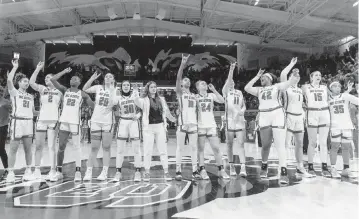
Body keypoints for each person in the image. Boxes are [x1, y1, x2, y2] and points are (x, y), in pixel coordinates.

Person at [244, 68, 299, 184]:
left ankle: (283, 172)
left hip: (277, 113)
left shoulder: (277, 86)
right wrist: (257, 76)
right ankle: (264, 165)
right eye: (261, 78)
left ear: (270, 79)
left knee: (280, 145)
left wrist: (294, 74)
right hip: (264, 115)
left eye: (264, 77)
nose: (262, 79)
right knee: (265, 145)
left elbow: (290, 82)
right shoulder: (259, 90)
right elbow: (247, 88)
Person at [50, 68, 94, 182]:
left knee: (77, 147)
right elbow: (53, 79)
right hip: (64, 121)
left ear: (79, 82)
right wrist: (64, 72)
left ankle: (78, 172)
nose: (72, 79)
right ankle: (59, 171)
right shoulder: (65, 90)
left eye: (75, 78)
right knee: (61, 147)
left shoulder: (82, 94)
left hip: (75, 122)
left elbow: (93, 105)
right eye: (71, 78)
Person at [133, 81, 176, 181]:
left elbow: (167, 112)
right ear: (148, 89)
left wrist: (173, 118)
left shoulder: (161, 99)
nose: (153, 88)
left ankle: (166, 172)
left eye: (155, 87)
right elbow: (136, 101)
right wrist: (135, 91)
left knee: (163, 151)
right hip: (148, 128)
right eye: (151, 87)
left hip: (160, 126)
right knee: (147, 151)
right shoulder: (143, 100)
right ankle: (147, 172)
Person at [29, 61, 64, 181]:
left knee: (51, 146)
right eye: (45, 78)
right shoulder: (42, 89)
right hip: (41, 120)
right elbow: (31, 82)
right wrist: (38, 68)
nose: (46, 79)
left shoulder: (60, 91)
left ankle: (53, 170)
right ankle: (37, 170)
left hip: (54, 120)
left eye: (49, 77)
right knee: (38, 145)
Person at [280, 58, 314, 178]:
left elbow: (302, 104)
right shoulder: (286, 87)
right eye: (294, 74)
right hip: (288, 116)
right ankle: (282, 167)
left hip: (299, 117)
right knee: (286, 145)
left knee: (299, 144)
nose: (297, 76)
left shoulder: (300, 89)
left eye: (298, 74)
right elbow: (283, 74)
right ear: (290, 78)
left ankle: (300, 167)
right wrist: (291, 64)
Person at [5, 60, 36, 183]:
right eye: (25, 81)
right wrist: (15, 67)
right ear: (19, 83)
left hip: (29, 123)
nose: (27, 83)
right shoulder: (14, 93)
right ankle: (11, 172)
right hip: (17, 122)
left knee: (28, 149)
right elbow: (8, 81)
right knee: (13, 149)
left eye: (28, 81)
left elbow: (33, 112)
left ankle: (28, 170)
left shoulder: (31, 96)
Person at [82, 72, 116, 181]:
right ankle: (89, 171)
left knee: (106, 147)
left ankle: (104, 172)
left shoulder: (116, 90)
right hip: (96, 120)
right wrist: (91, 78)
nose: (108, 77)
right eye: (106, 76)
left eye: (110, 76)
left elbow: (115, 103)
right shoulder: (98, 87)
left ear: (113, 79)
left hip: (108, 122)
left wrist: (112, 91)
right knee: (94, 148)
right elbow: (85, 89)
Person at [174, 54, 201, 181]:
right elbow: (178, 77)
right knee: (180, 147)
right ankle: (178, 170)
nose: (187, 81)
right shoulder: (180, 92)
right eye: (185, 80)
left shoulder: (195, 96)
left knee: (194, 147)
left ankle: (195, 170)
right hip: (182, 123)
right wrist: (182, 64)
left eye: (188, 80)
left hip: (193, 123)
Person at [196, 81, 229, 180]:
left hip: (211, 125)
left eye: (205, 83)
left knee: (216, 148)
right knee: (201, 149)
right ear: (197, 87)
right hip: (200, 126)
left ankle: (221, 169)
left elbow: (222, 100)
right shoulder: (195, 97)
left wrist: (214, 89)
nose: (204, 84)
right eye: (202, 84)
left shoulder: (211, 95)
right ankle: (202, 169)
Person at [302, 71, 331, 177]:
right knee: (312, 142)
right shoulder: (305, 87)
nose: (318, 76)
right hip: (312, 113)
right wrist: (302, 103)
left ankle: (324, 166)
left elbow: (331, 98)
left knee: (323, 142)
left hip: (324, 112)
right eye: (316, 75)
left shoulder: (324, 87)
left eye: (320, 75)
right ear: (311, 77)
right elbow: (298, 97)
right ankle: (310, 166)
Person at [113, 80, 143, 182]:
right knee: (120, 150)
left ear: (130, 87)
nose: (125, 86)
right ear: (121, 87)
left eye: (127, 85)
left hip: (134, 123)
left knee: (136, 149)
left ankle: (138, 172)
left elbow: (141, 110)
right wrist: (116, 111)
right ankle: (118, 172)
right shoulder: (118, 98)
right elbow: (115, 110)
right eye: (124, 85)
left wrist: (138, 116)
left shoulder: (135, 96)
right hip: (122, 122)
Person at [328, 81, 358, 178]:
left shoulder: (345, 96)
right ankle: (333, 168)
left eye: (339, 86)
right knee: (335, 147)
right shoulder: (327, 99)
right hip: (334, 126)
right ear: (331, 88)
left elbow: (357, 101)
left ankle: (346, 168)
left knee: (346, 148)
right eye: (335, 86)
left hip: (346, 125)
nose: (337, 88)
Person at [222, 62, 247, 177]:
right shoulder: (225, 91)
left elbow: (244, 105)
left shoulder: (239, 92)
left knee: (241, 144)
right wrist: (231, 69)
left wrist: (242, 111)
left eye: (232, 82)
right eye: (229, 81)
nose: (231, 82)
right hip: (230, 120)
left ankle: (243, 167)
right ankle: (231, 166)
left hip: (240, 120)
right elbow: (229, 79)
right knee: (229, 144)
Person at [0, 85, 11, 181]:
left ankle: (7, 169)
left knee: (1, 149)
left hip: (2, 127)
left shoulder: (6, 102)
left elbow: (14, 110)